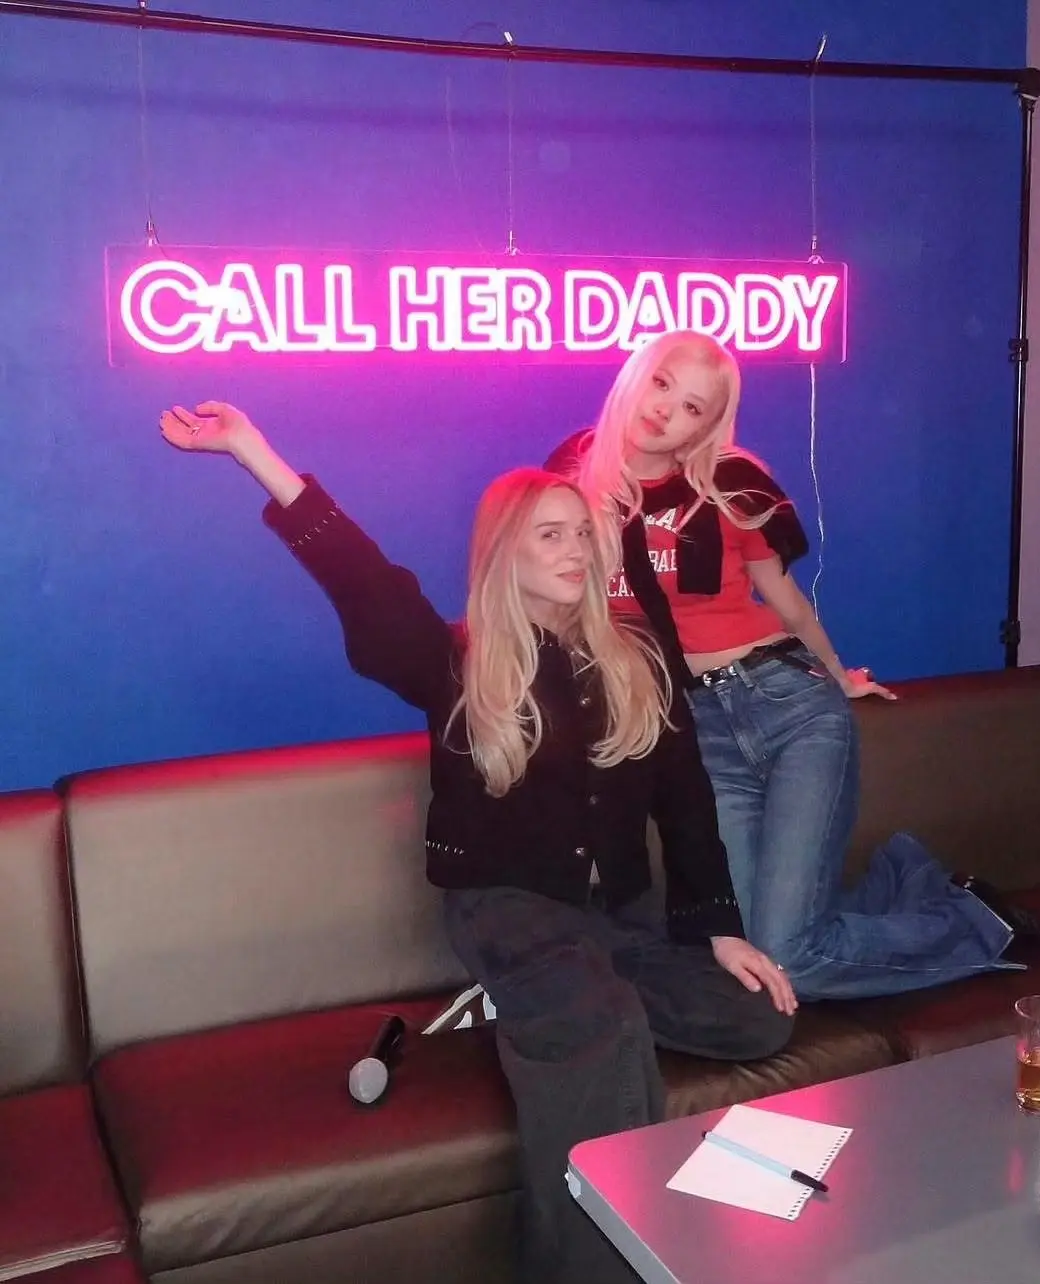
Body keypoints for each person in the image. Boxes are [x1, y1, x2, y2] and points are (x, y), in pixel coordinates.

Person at [159, 399, 795, 1284]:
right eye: (550, 536)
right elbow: (364, 579)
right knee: (602, 1026)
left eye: (583, 533)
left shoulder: (639, 656)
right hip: (508, 910)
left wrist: (718, 927)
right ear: (504, 553)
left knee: (757, 1015)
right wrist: (252, 452)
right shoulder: (455, 661)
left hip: (619, 916)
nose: (576, 550)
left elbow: (686, 802)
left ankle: (541, 1004)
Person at [546, 329, 1040, 1002]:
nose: (666, 410)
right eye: (663, 383)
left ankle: (980, 923)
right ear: (637, 374)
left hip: (787, 707)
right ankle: (903, 876)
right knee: (756, 947)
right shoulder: (572, 480)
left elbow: (785, 602)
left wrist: (839, 676)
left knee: (788, 957)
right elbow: (555, 611)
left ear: (708, 424)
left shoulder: (729, 482)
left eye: (693, 407)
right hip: (698, 734)